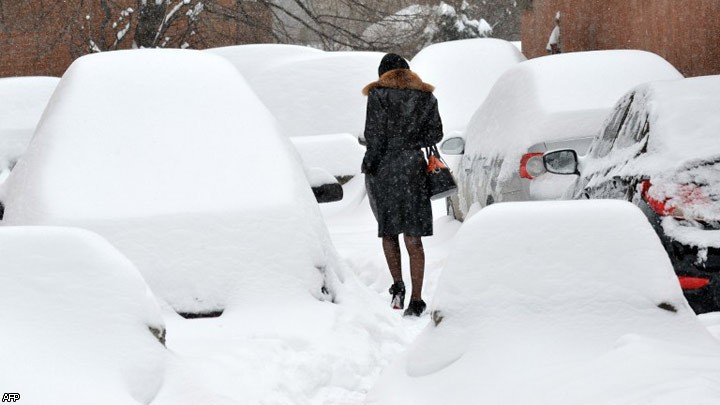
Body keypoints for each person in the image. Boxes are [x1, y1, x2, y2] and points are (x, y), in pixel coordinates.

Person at [361, 53, 443, 317]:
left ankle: (398, 287)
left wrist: (370, 164)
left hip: (385, 169)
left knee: (389, 231)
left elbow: (374, 135)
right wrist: (411, 138)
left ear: (382, 74)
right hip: (413, 170)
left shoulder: (378, 95)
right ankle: (417, 300)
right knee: (413, 235)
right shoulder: (425, 97)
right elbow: (436, 134)